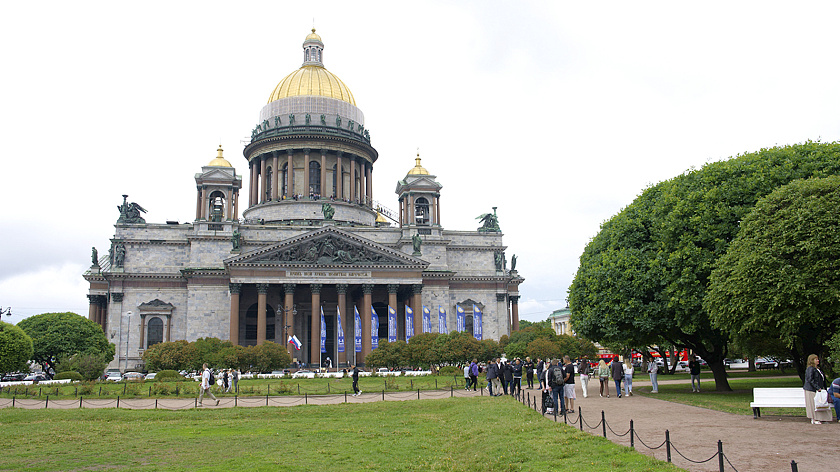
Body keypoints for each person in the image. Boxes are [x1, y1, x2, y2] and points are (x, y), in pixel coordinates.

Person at [803, 354, 831, 424]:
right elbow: (810, 379)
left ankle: (821, 418)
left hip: (819, 389)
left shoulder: (817, 369)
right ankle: (814, 418)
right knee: (813, 404)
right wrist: (817, 387)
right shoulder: (810, 369)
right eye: (816, 359)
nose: (818, 360)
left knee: (820, 403)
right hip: (811, 389)